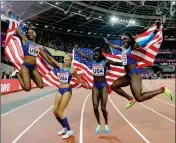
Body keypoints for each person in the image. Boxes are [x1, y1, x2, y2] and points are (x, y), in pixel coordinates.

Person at [105, 21, 174, 109]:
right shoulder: (123, 49)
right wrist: (108, 43)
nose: (123, 41)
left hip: (135, 74)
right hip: (128, 75)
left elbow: (146, 40)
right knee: (114, 86)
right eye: (122, 40)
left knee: (139, 98)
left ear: (130, 39)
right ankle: (130, 99)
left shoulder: (133, 46)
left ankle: (162, 90)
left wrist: (156, 30)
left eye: (125, 39)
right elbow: (115, 46)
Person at [75, 47, 123, 134]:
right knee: (95, 106)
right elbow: (83, 55)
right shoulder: (92, 60)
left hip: (103, 86)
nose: (95, 56)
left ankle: (106, 124)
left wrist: (127, 63)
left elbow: (117, 63)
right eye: (94, 55)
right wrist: (77, 49)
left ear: (100, 54)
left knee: (103, 107)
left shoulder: (105, 61)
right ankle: (99, 124)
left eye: (97, 55)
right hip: (95, 86)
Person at [52, 55, 86, 139]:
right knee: (55, 112)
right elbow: (51, 60)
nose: (66, 62)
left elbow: (79, 79)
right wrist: (42, 51)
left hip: (67, 90)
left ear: (71, 61)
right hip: (59, 89)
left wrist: (83, 83)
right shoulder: (60, 66)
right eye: (65, 60)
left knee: (60, 112)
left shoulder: (72, 70)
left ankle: (69, 131)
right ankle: (64, 128)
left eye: (68, 60)